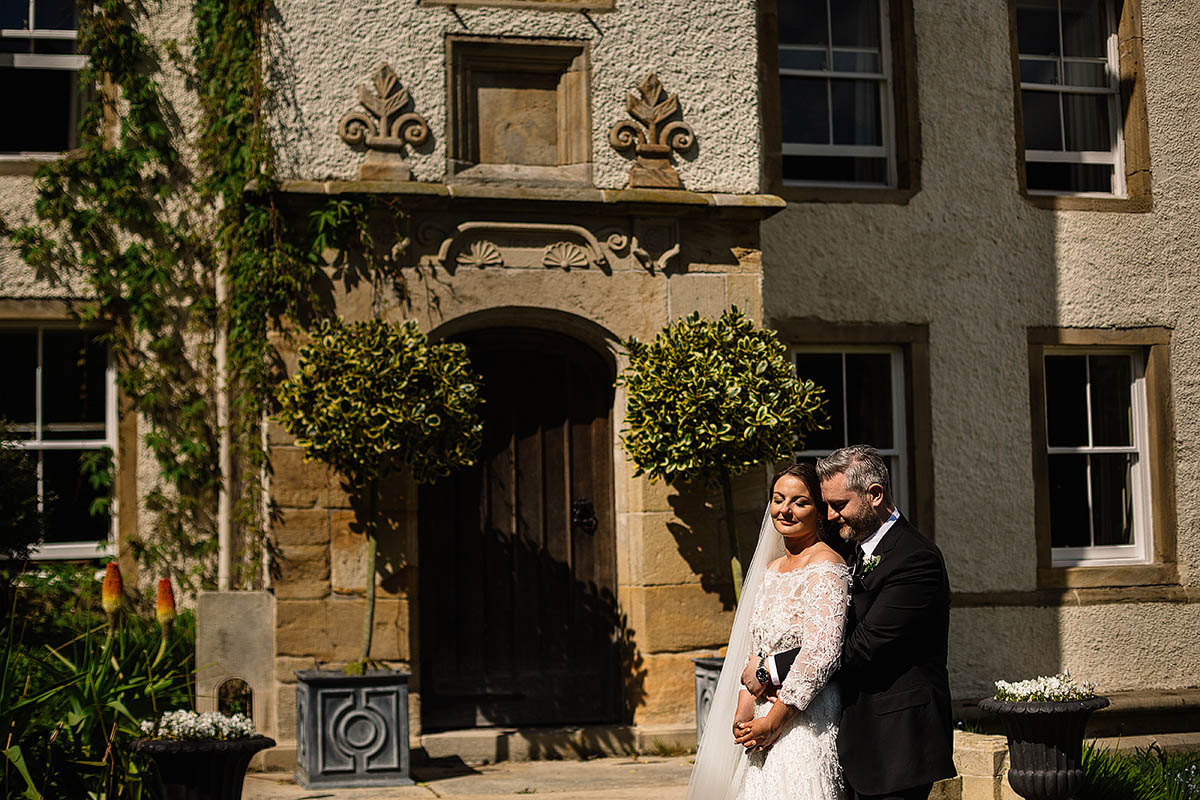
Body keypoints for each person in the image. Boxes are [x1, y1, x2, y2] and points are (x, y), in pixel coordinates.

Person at [742, 445, 956, 800]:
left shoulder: (916, 560)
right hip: (851, 737)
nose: (830, 515)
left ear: (874, 494)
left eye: (839, 505)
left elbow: (862, 647)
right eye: (825, 504)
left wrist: (771, 668)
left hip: (897, 742)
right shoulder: (849, 551)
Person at [686, 463, 851, 800]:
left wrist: (775, 721)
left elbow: (821, 654)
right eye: (778, 499)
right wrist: (743, 714)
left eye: (799, 502)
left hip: (805, 718)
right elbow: (755, 650)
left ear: (819, 512)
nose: (785, 510)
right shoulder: (771, 569)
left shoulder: (827, 567)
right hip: (760, 718)